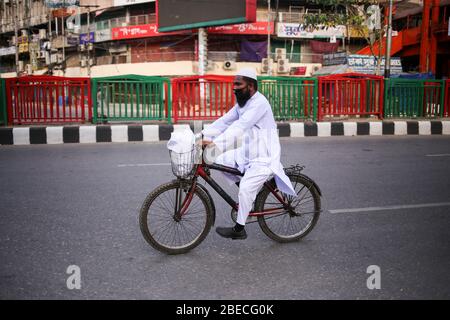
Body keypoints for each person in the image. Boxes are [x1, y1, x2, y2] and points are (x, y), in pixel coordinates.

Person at [201, 67, 296, 240]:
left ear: (251, 86)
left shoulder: (259, 104)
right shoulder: (242, 104)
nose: (234, 88)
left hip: (264, 156)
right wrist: (200, 136)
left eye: (238, 84)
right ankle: (249, 199)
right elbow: (224, 122)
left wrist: (214, 144)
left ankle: (239, 229)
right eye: (234, 84)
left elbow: (239, 127)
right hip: (248, 151)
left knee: (245, 189)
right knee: (219, 161)